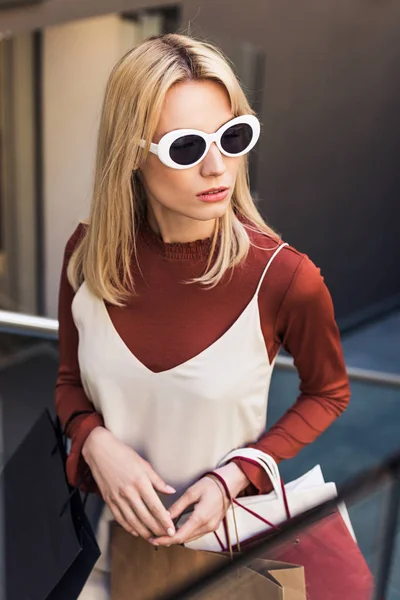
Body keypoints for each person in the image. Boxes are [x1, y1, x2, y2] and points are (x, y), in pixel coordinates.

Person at [55, 33, 350, 598]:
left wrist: (237, 473)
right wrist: (94, 441)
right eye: (187, 148)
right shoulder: (86, 256)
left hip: (230, 551)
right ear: (132, 153)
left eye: (233, 137)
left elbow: (329, 392)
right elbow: (70, 385)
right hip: (101, 544)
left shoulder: (285, 277)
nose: (218, 167)